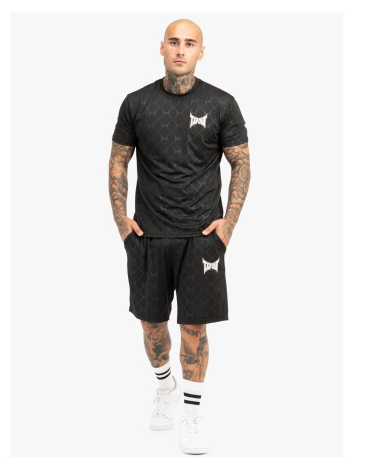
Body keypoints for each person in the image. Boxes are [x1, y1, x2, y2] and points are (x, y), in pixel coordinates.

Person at [108, 18, 250, 455]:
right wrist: (121, 221)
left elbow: (241, 164)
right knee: (152, 326)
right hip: (148, 236)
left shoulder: (222, 103)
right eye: (174, 42)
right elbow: (118, 162)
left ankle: (192, 414)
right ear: (162, 48)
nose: (181, 49)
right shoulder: (136, 103)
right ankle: (163, 386)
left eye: (190, 43)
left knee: (194, 328)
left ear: (201, 52)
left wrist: (228, 224)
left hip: (201, 239)